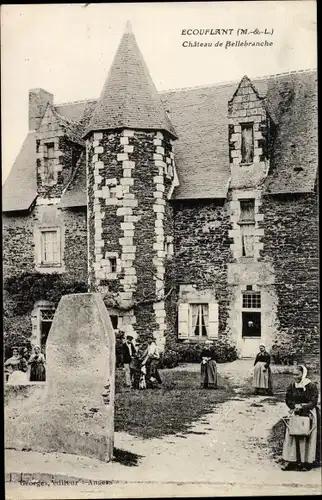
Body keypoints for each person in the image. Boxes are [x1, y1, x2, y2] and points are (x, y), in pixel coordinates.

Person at [281, 365, 320, 471]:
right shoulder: (292, 386)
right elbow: (288, 399)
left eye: (297, 374)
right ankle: (292, 460)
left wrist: (303, 407)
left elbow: (314, 401)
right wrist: (293, 406)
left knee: (306, 437)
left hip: (308, 413)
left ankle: (305, 462)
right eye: (294, 374)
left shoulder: (311, 386)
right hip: (296, 412)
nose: (295, 377)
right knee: (292, 436)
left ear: (303, 374)